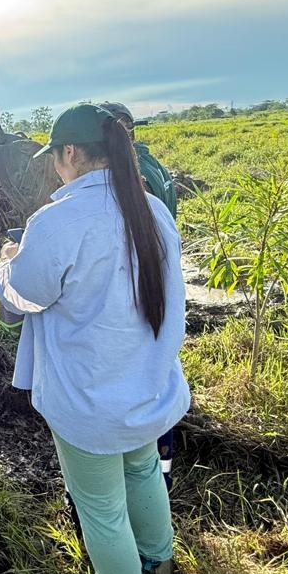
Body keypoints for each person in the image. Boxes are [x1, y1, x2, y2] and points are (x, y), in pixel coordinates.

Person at [0, 103, 188, 574]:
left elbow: (22, 297)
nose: (55, 166)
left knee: (100, 505)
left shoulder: (58, 220)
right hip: (145, 387)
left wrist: (6, 263)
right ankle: (161, 570)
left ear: (70, 153)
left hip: (88, 399)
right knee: (144, 472)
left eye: (55, 156)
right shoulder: (152, 211)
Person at [101, 101, 179, 489]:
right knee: (157, 377)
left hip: (133, 293)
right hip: (157, 290)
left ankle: (142, 480)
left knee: (133, 390)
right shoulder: (153, 166)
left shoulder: (132, 179)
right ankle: (159, 478)